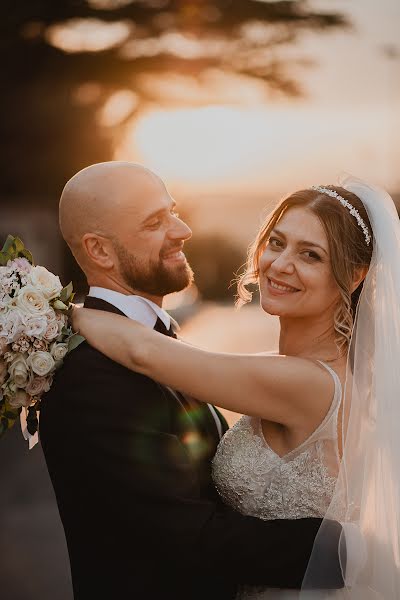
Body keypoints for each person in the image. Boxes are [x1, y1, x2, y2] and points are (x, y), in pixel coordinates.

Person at [72, 173, 400, 598]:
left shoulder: (309, 383)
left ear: (354, 277)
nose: (281, 264)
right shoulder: (284, 371)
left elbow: (144, 353)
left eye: (311, 255)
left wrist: (60, 312)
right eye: (277, 242)